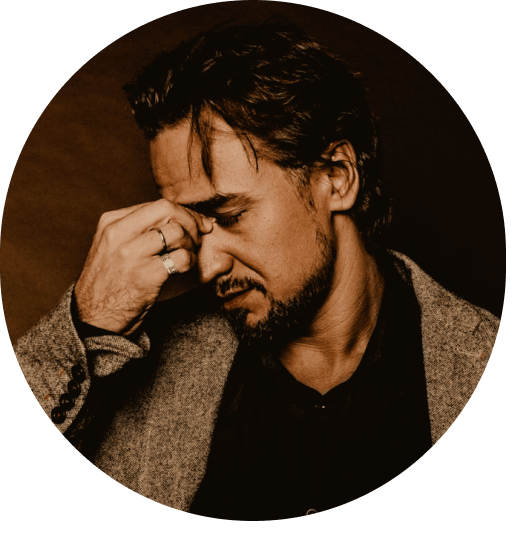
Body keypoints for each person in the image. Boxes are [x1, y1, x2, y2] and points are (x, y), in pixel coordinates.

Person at [13, 20, 500, 519]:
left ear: (336, 178)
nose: (207, 266)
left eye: (230, 215)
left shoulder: (472, 360)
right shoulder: (146, 366)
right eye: (191, 224)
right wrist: (89, 321)